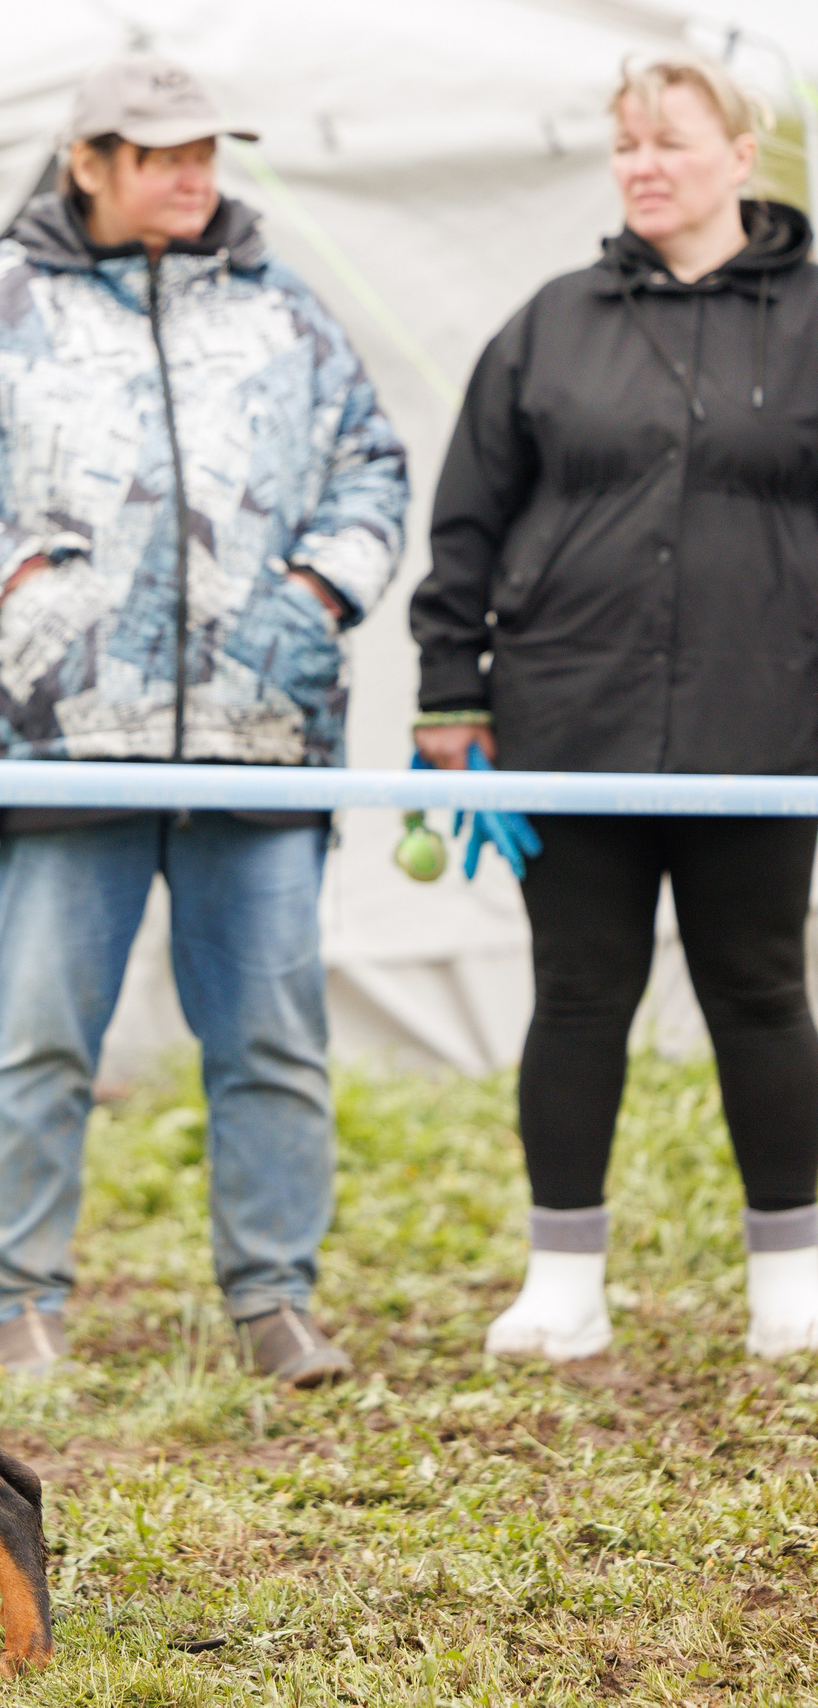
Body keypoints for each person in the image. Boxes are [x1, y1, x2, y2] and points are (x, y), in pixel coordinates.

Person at [0, 53, 408, 1387]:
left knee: (275, 1040)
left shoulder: (290, 311)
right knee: (38, 1039)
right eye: (159, 153)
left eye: (204, 152)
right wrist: (26, 592)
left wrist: (314, 590)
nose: (190, 174)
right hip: (57, 739)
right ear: (88, 162)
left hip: (262, 743)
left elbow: (375, 472)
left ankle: (276, 1302)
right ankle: (12, 1306)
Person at [412, 55, 818, 1363]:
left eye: (672, 143)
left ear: (741, 160)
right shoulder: (553, 319)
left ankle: (792, 1285)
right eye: (626, 145)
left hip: (765, 730)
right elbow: (467, 521)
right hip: (566, 726)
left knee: (761, 989)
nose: (644, 165)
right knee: (577, 992)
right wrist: (446, 694)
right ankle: (563, 1286)